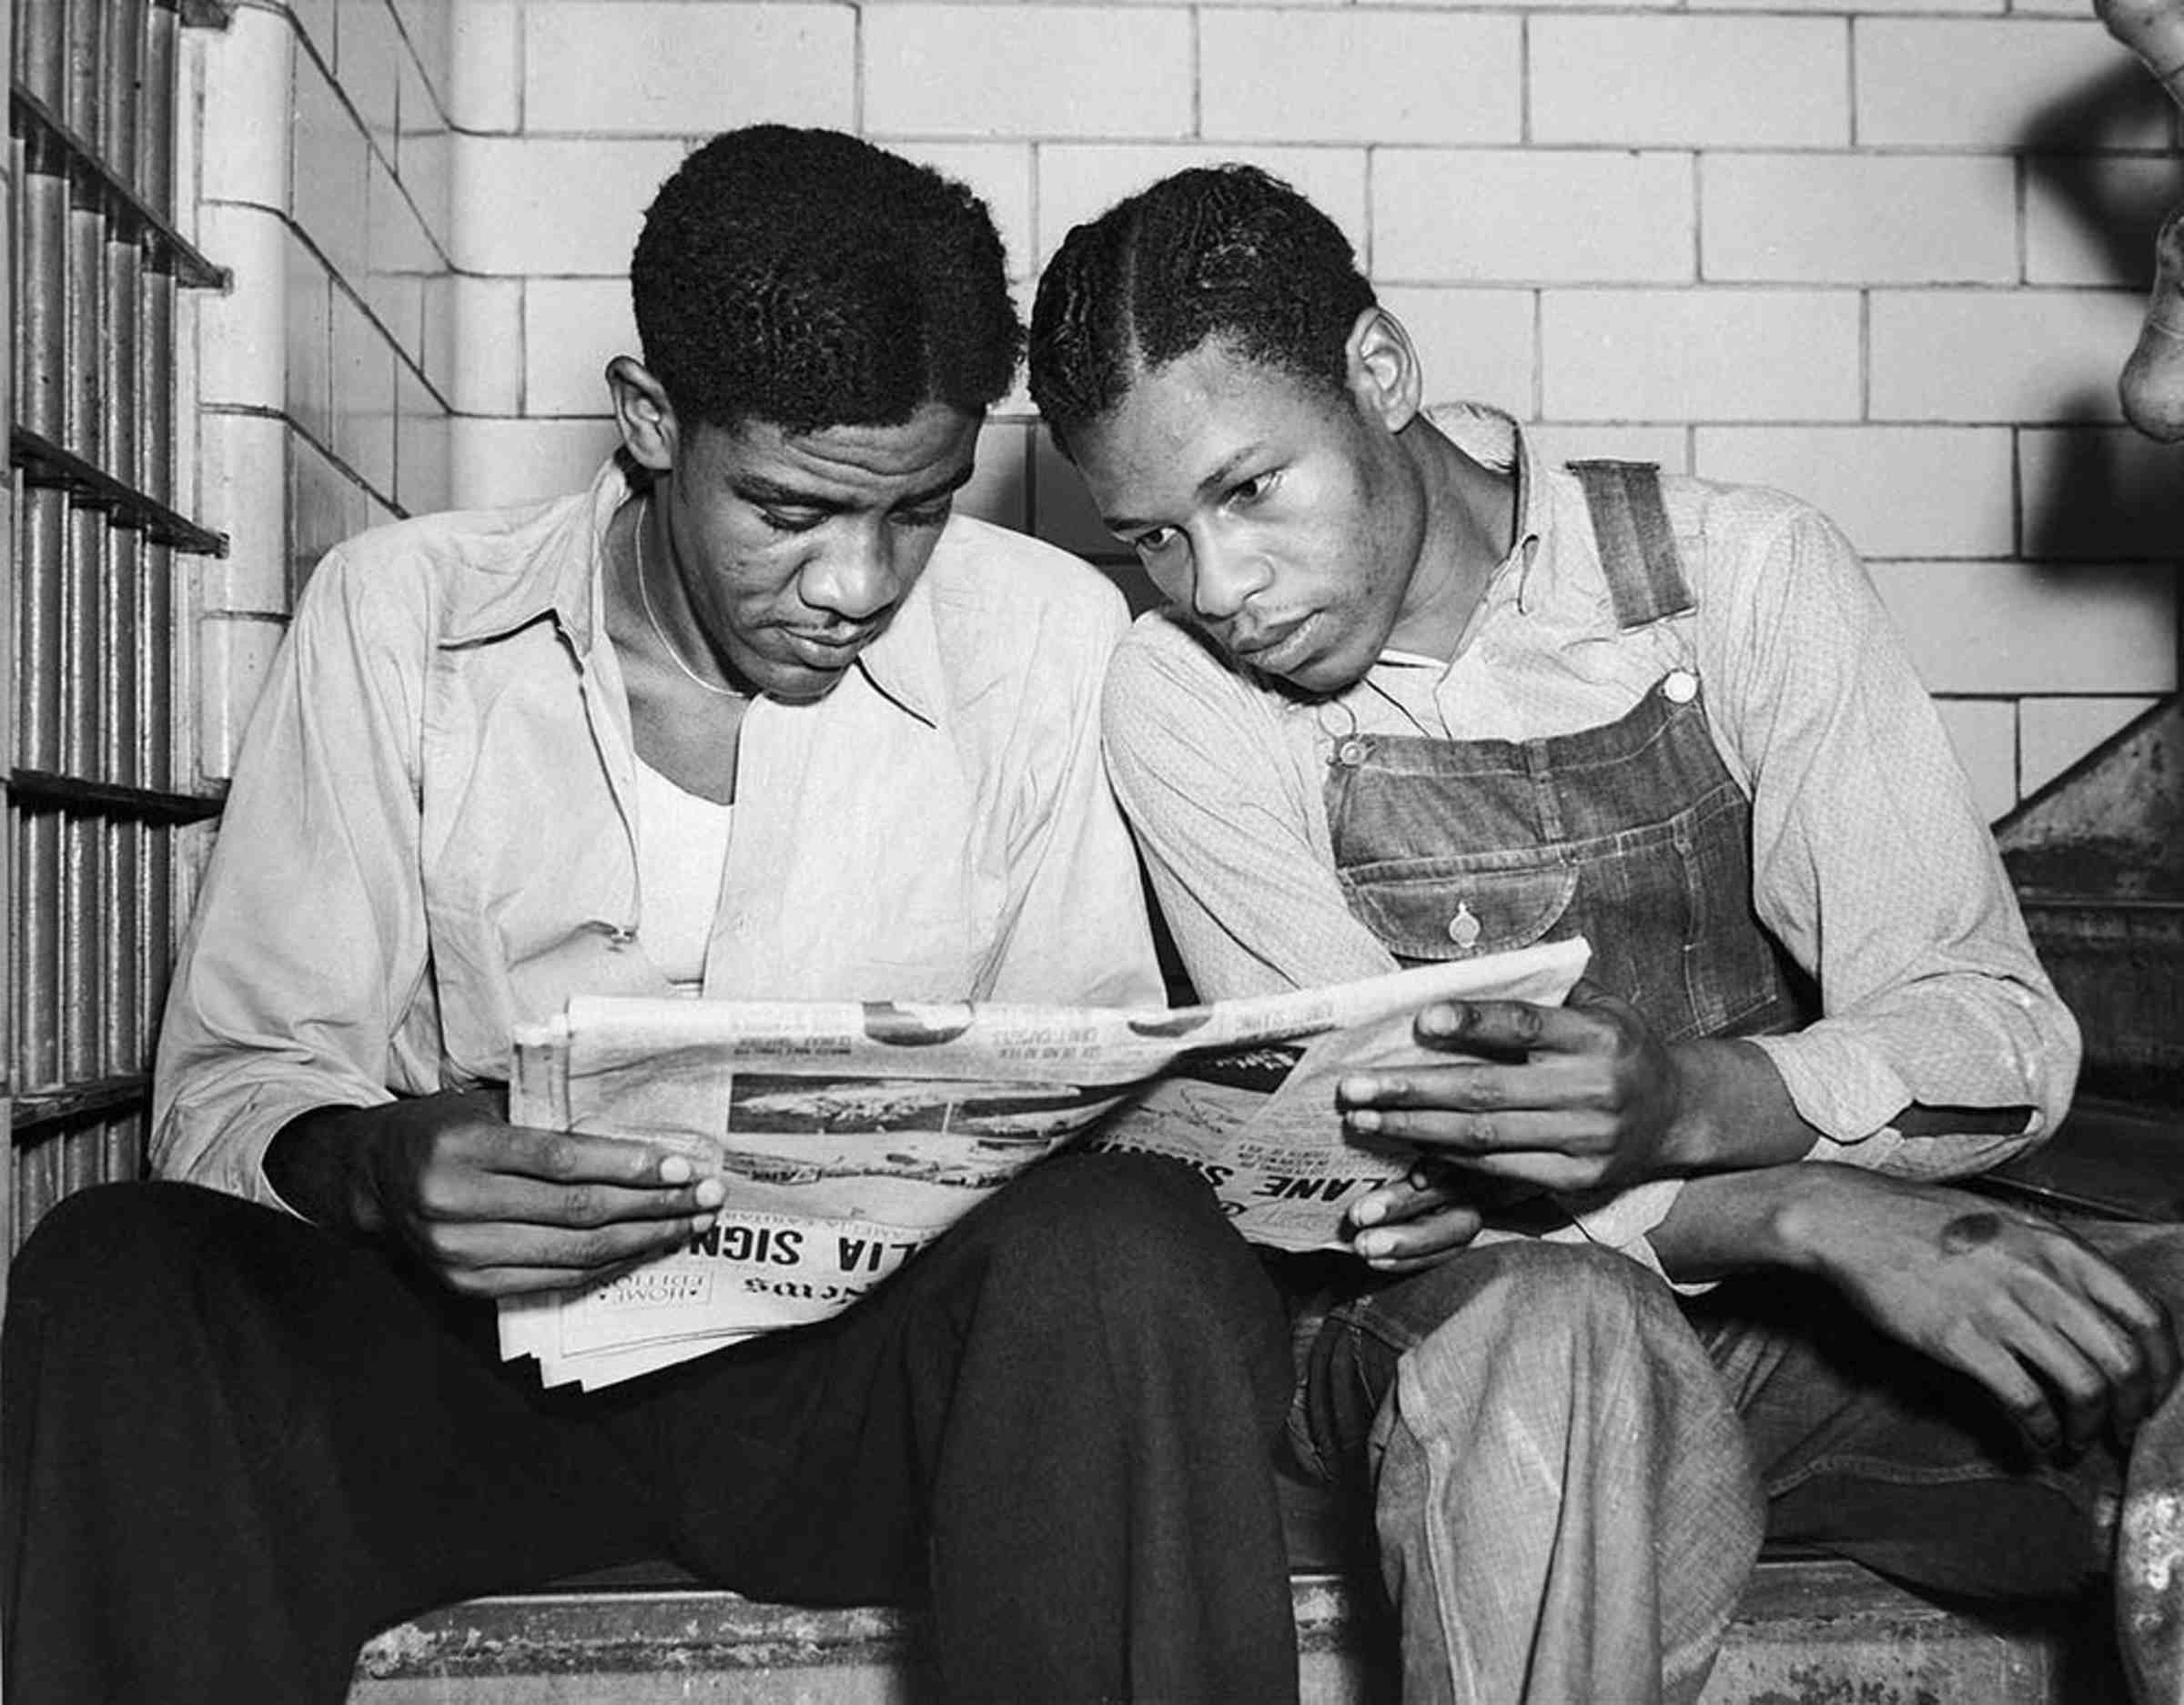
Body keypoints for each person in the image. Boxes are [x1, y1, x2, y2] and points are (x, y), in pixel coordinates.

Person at [1, 128, 1301, 1705]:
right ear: (648, 419)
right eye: (789, 508)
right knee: (116, 1269)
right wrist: (382, 1167)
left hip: (850, 1404)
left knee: (1124, 1249)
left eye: (920, 509)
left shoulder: (1043, 638)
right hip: (480, 1385)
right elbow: (226, 1090)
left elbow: (1087, 1089)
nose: (857, 579)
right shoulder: (404, 617)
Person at [1027, 161, 2184, 1705]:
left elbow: (1995, 1030)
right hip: (1460, 1330)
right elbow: (1406, 1155)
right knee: (1563, 1328)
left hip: (1795, 1343)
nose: (1221, 585)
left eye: (1249, 492)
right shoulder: (1181, 699)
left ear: (1381, 372)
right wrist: (1802, 1209)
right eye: (1152, 539)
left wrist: (1700, 1100)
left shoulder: (1741, 573)